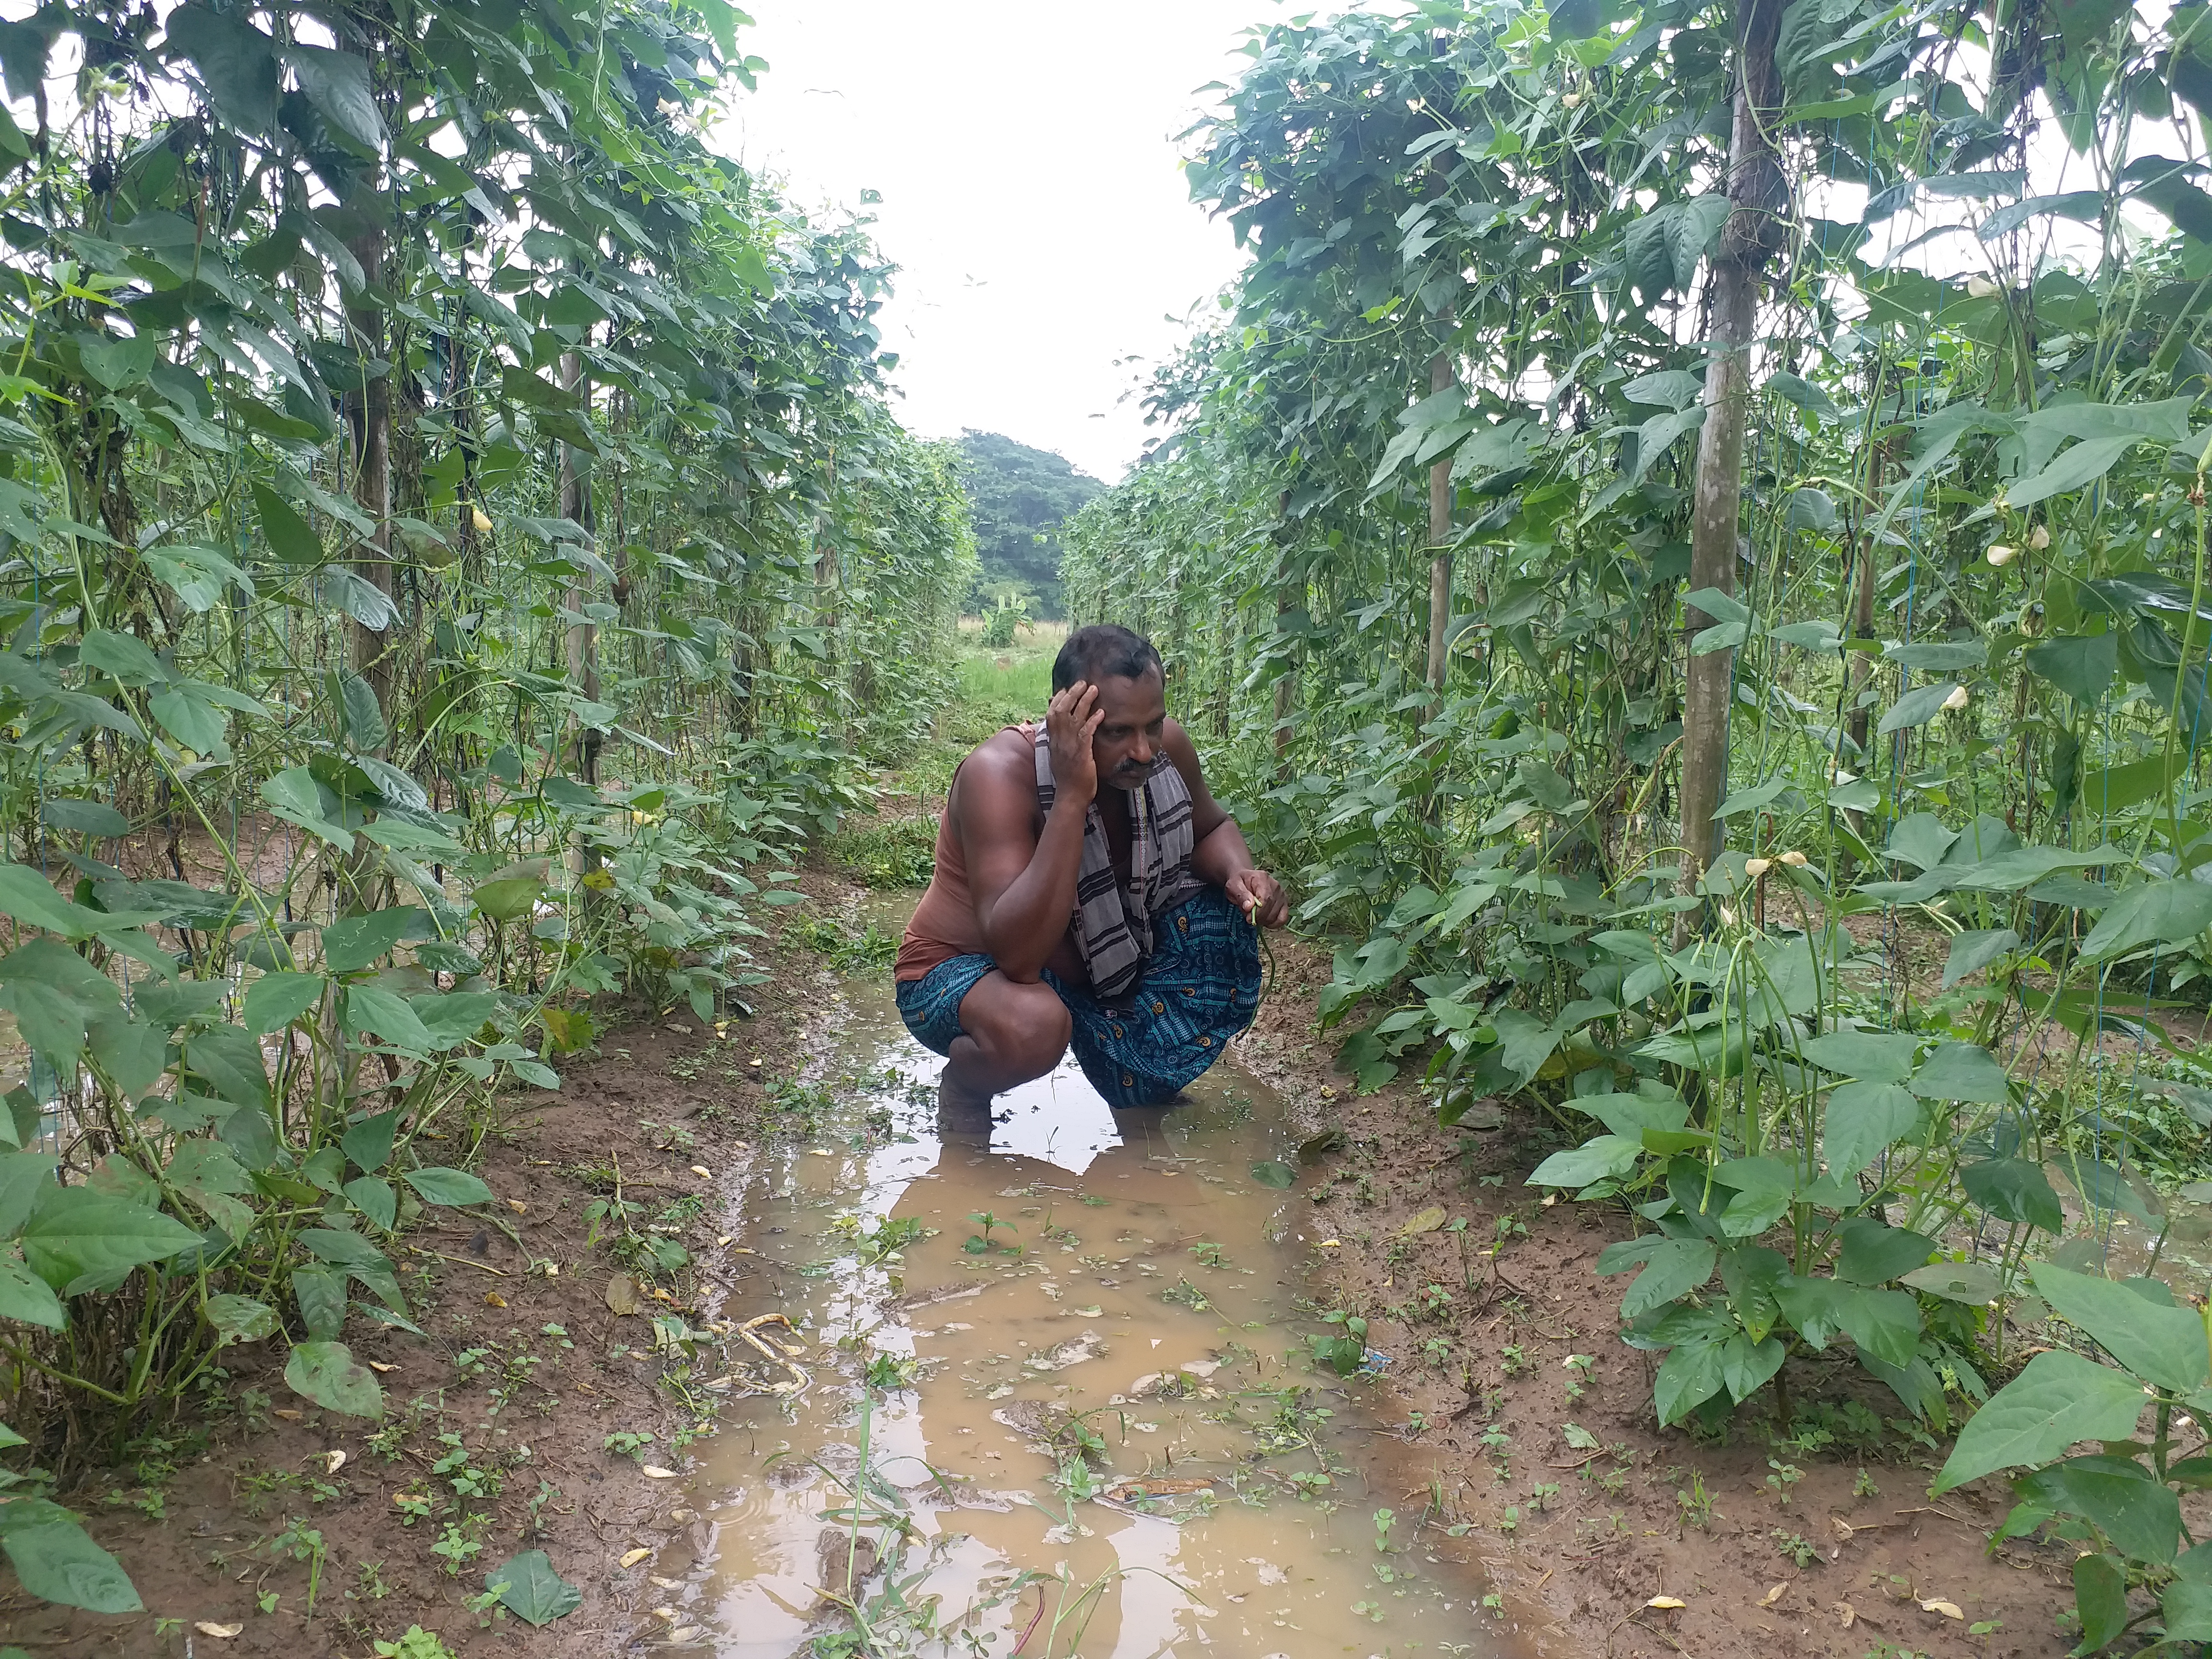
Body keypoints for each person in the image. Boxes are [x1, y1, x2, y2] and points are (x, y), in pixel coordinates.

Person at [895, 624, 1288, 1117]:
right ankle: (967, 1088)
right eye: (1117, 732)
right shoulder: (998, 774)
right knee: (1032, 1027)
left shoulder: (1166, 752)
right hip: (967, 975)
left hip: (1093, 974)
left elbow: (1208, 828)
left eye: (1154, 726)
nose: (1144, 751)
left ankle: (1140, 1084)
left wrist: (1240, 874)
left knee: (1216, 917)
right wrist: (1071, 797)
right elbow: (1017, 957)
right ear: (1070, 719)